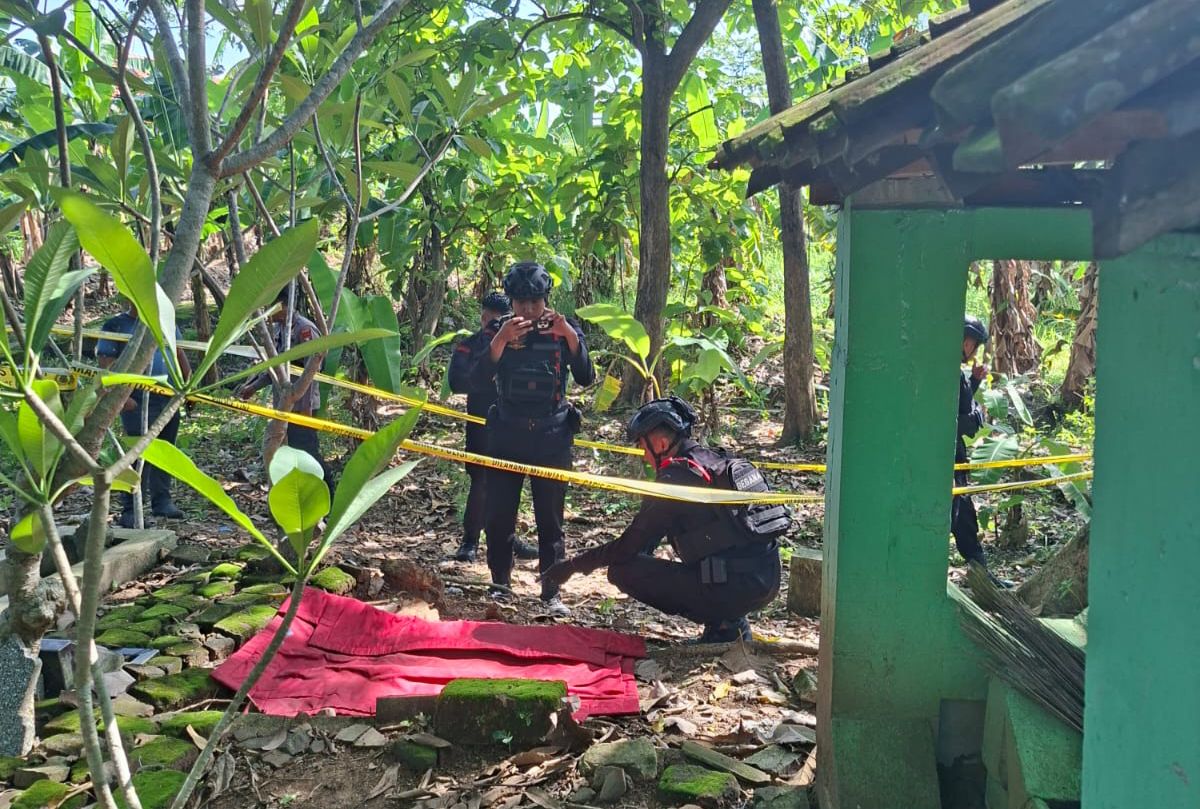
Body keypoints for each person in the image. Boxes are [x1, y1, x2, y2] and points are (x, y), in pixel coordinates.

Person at [541, 396, 790, 643]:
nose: (643, 456)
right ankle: (729, 622)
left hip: (736, 587)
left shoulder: (678, 479)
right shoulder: (713, 459)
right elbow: (648, 539)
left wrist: (572, 566)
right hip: (765, 579)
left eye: (643, 447)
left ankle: (724, 626)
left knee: (623, 571)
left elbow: (627, 546)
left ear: (660, 444)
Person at [468, 262, 594, 615]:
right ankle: (500, 584)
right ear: (510, 301)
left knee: (550, 520)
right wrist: (501, 340)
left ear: (546, 299)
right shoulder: (499, 330)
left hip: (552, 436)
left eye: (535, 302)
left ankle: (551, 591)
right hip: (506, 433)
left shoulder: (564, 328)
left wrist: (568, 335)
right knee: (499, 515)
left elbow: (586, 376)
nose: (527, 309)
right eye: (520, 302)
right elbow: (475, 380)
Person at [447, 292, 538, 563]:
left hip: (515, 424)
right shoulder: (471, 345)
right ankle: (470, 541)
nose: (498, 327)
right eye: (494, 322)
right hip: (482, 425)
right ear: (484, 318)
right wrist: (488, 364)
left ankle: (507, 539)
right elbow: (457, 381)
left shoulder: (524, 344)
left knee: (511, 485)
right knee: (481, 483)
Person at [96, 299, 191, 528]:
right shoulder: (116, 325)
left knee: (165, 450)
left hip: (169, 397)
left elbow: (179, 353)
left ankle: (162, 502)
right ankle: (130, 510)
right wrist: (121, 396)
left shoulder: (165, 322)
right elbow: (106, 363)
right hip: (136, 399)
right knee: (137, 454)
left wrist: (189, 387)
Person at [236, 286, 331, 487]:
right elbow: (277, 369)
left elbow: (312, 372)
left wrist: (305, 409)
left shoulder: (304, 330)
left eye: (270, 307)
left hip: (302, 406)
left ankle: (328, 492)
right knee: (289, 454)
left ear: (283, 306)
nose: (267, 312)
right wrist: (253, 386)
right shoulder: (279, 330)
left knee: (307, 452)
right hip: (284, 405)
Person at [954, 315, 1011, 587]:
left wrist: (974, 383)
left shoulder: (954, 372)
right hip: (948, 459)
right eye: (974, 345)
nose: (974, 351)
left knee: (964, 519)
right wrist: (978, 414)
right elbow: (962, 421)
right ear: (965, 342)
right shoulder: (950, 373)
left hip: (954, 457)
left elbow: (960, 405)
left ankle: (983, 576)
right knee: (958, 516)